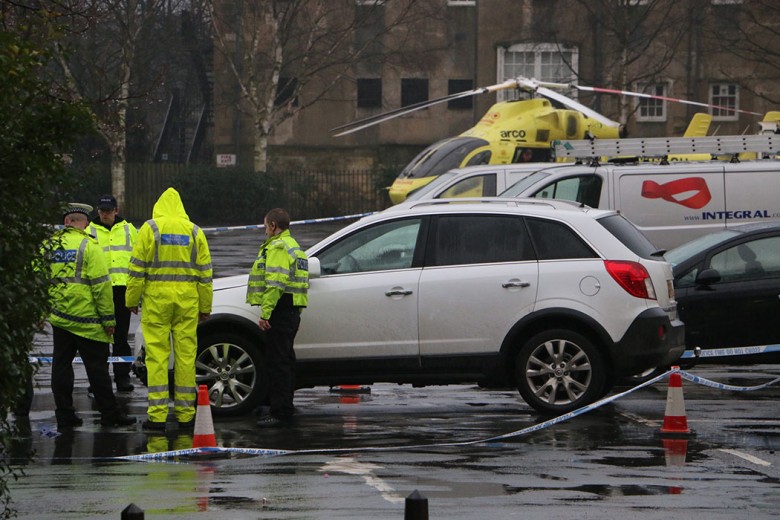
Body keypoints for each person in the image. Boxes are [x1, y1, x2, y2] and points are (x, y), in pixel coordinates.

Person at [126, 188, 212, 432]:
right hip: (187, 302)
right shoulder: (195, 231)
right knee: (186, 358)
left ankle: (158, 416)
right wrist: (205, 307)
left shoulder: (150, 229)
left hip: (156, 301)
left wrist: (131, 299)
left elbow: (136, 269)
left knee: (157, 358)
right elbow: (205, 274)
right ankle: (186, 415)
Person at [46, 203, 136, 429]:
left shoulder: (48, 246)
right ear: (80, 222)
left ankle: (65, 414)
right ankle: (110, 414)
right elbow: (101, 287)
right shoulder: (89, 246)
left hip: (59, 318)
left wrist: (42, 312)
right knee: (97, 370)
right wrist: (108, 320)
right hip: (88, 320)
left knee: (61, 366)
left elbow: (37, 279)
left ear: (66, 222)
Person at [246, 208, 309, 427]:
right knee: (286, 360)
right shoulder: (294, 247)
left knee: (278, 362)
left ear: (273, 225)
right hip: (291, 310)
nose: (265, 231)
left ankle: (280, 412)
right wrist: (296, 316)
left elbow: (275, 283)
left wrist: (266, 313)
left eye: (265, 226)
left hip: (280, 310)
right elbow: (300, 287)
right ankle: (283, 406)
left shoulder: (279, 247)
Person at [87, 194, 138, 392]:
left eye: (108, 211)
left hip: (122, 290)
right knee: (98, 338)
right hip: (99, 291)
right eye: (102, 211)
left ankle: (122, 377)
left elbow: (138, 259)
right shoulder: (89, 231)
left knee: (120, 338)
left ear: (116, 211)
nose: (105, 214)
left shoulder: (129, 230)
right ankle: (99, 380)